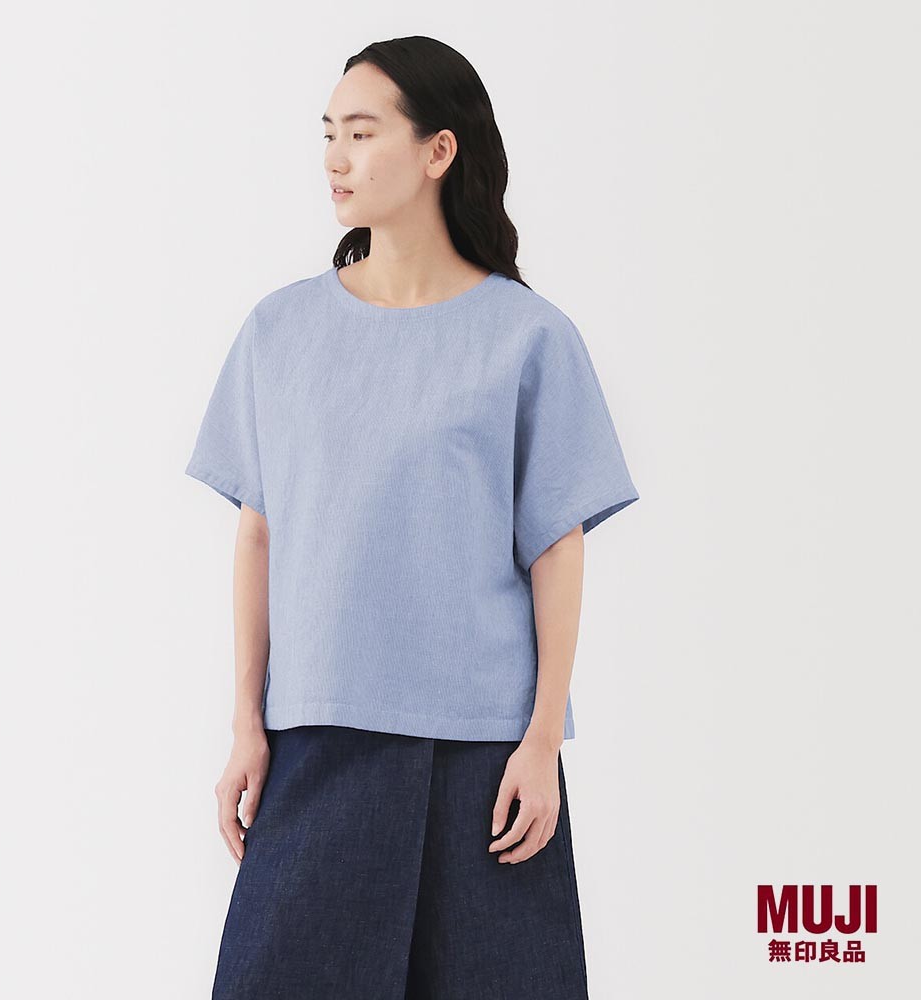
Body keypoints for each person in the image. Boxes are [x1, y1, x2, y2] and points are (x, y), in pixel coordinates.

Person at [185, 35, 640, 1000]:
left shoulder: (529, 337)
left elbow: (556, 548)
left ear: (439, 151)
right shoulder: (279, 332)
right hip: (316, 741)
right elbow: (259, 533)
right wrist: (246, 724)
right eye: (328, 134)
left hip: (482, 759)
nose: (335, 159)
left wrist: (542, 741)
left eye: (362, 133)